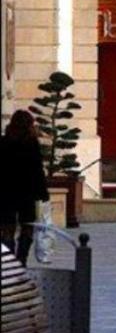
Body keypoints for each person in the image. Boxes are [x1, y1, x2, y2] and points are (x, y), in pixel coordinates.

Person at [0, 110, 48, 265]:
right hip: (27, 193)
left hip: (6, 192)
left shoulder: (4, 141)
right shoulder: (31, 144)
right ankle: (22, 259)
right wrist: (43, 192)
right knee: (27, 226)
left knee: (7, 228)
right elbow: (37, 170)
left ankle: (9, 260)